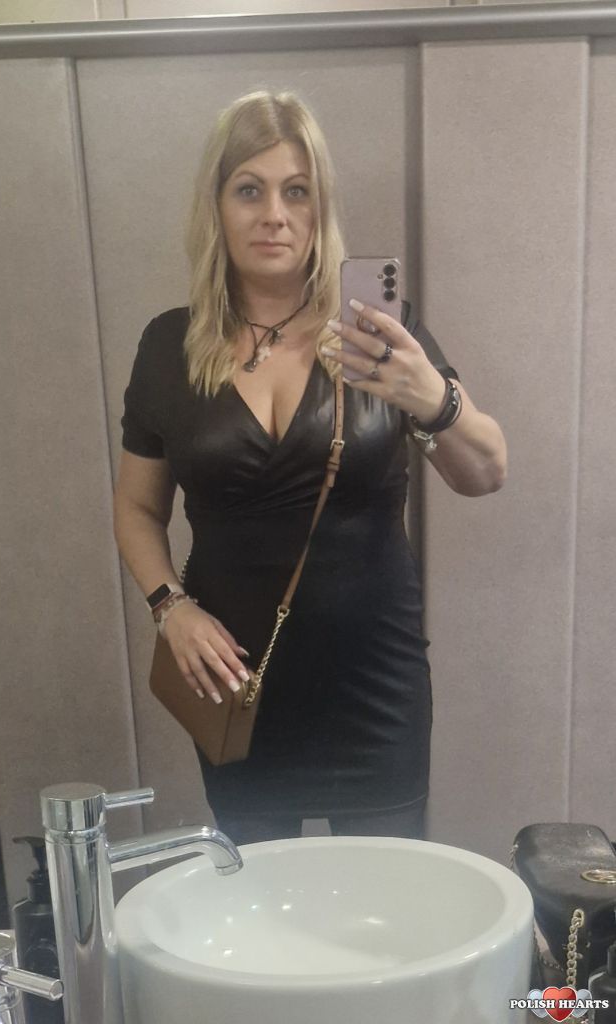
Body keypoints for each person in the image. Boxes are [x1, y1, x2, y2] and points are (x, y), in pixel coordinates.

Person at [113, 91, 507, 847]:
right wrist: (170, 608)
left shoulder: (378, 333)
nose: (274, 215)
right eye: (249, 190)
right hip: (237, 683)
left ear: (319, 207)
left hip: (375, 684)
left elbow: (486, 470)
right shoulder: (169, 347)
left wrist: (431, 396)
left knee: (386, 898)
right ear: (216, 205)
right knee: (259, 899)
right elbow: (136, 508)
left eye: (296, 191)